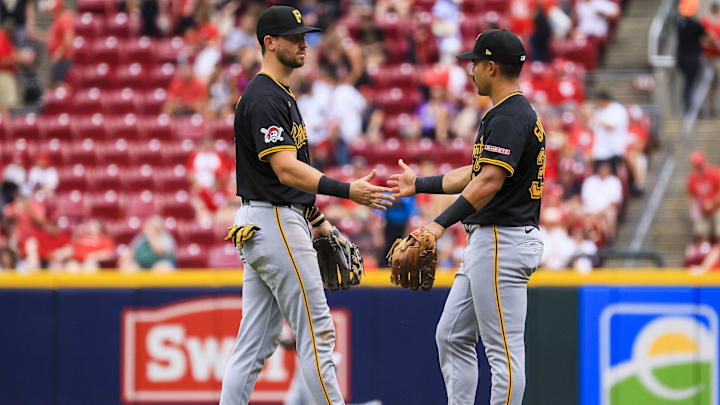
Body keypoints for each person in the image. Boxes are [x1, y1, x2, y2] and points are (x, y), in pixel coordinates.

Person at [219, 7, 394, 405]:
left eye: (305, 36)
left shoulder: (279, 94)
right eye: (295, 36)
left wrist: (316, 219)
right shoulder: (264, 96)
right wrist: (347, 190)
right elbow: (284, 169)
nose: (304, 43)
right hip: (275, 221)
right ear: (270, 42)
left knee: (253, 345)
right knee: (319, 330)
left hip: (271, 218)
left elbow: (282, 174)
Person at [388, 29, 544, 405]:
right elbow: (477, 172)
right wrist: (420, 183)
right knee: (452, 334)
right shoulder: (507, 113)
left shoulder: (509, 116)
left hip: (502, 241)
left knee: (503, 353)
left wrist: (438, 224)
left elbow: (488, 181)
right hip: (490, 241)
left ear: (491, 66)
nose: (470, 70)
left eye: (474, 63)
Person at [676, 0, 713, 112]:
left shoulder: (680, 24)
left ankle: (687, 104)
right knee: (692, 84)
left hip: (681, 59)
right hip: (692, 59)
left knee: (688, 83)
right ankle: (689, 107)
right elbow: (708, 38)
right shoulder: (695, 25)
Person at [687, 151, 720, 243]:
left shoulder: (715, 172)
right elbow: (692, 197)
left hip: (717, 207)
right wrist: (693, 210)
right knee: (701, 231)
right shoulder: (692, 178)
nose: (699, 168)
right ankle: (704, 251)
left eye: (700, 166)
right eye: (696, 166)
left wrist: (712, 203)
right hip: (703, 211)